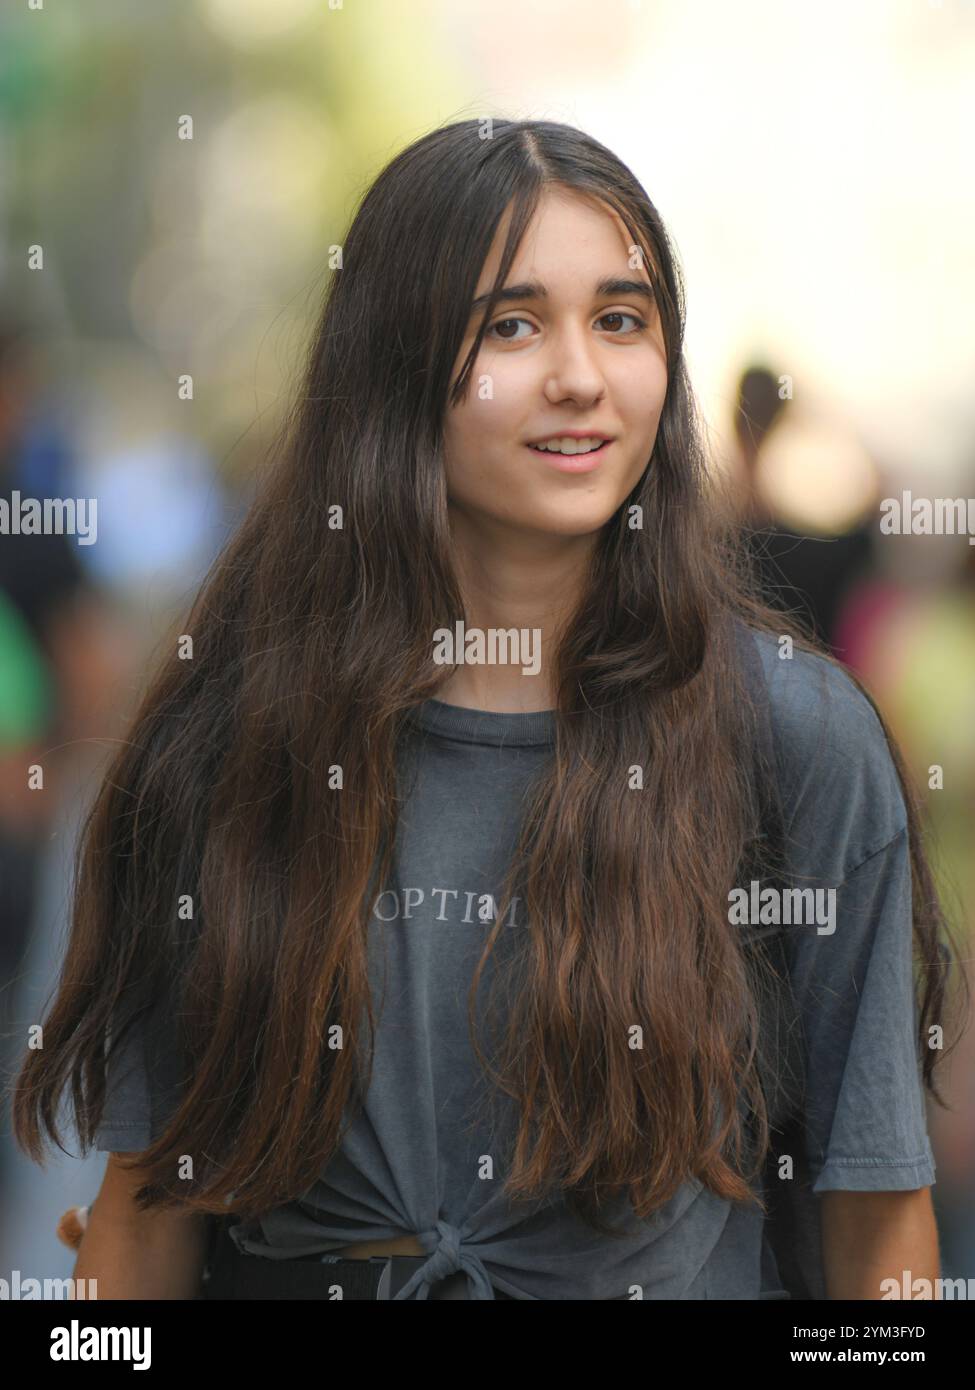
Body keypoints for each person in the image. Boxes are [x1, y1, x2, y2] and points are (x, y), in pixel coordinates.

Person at [11, 118, 968, 1301]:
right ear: (394, 364)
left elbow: (878, 1225)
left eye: (621, 319)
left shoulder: (793, 734)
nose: (579, 373)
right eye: (512, 324)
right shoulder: (231, 739)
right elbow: (140, 1221)